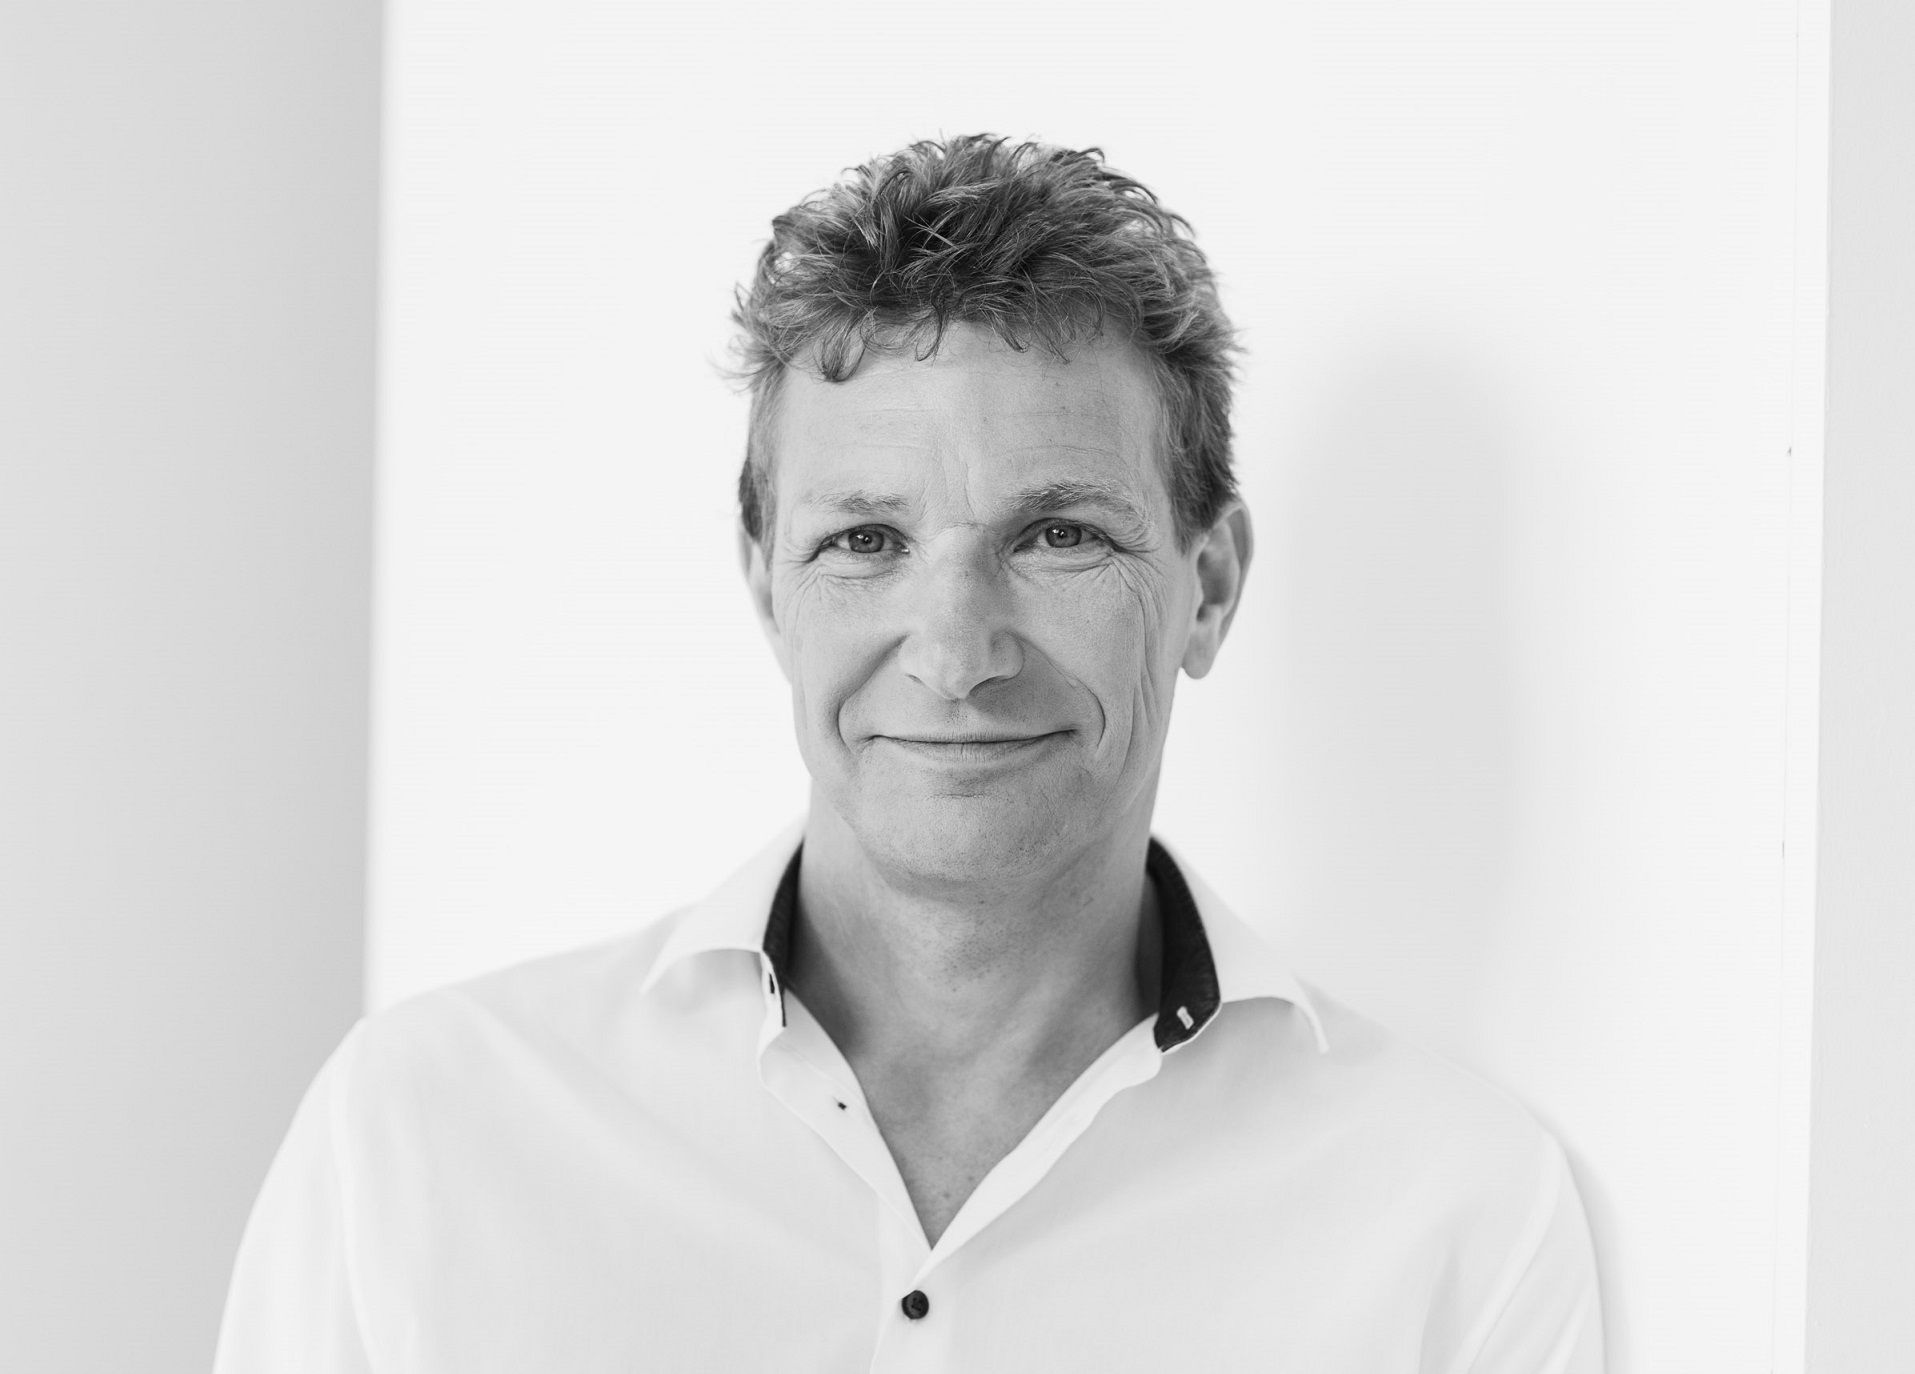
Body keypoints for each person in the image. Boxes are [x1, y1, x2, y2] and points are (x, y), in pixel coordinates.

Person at [215, 134, 1603, 1372]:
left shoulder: (1452, 1216)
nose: (955, 651)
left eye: (1058, 534)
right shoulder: (422, 1139)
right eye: (866, 540)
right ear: (767, 586)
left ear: (1211, 585)